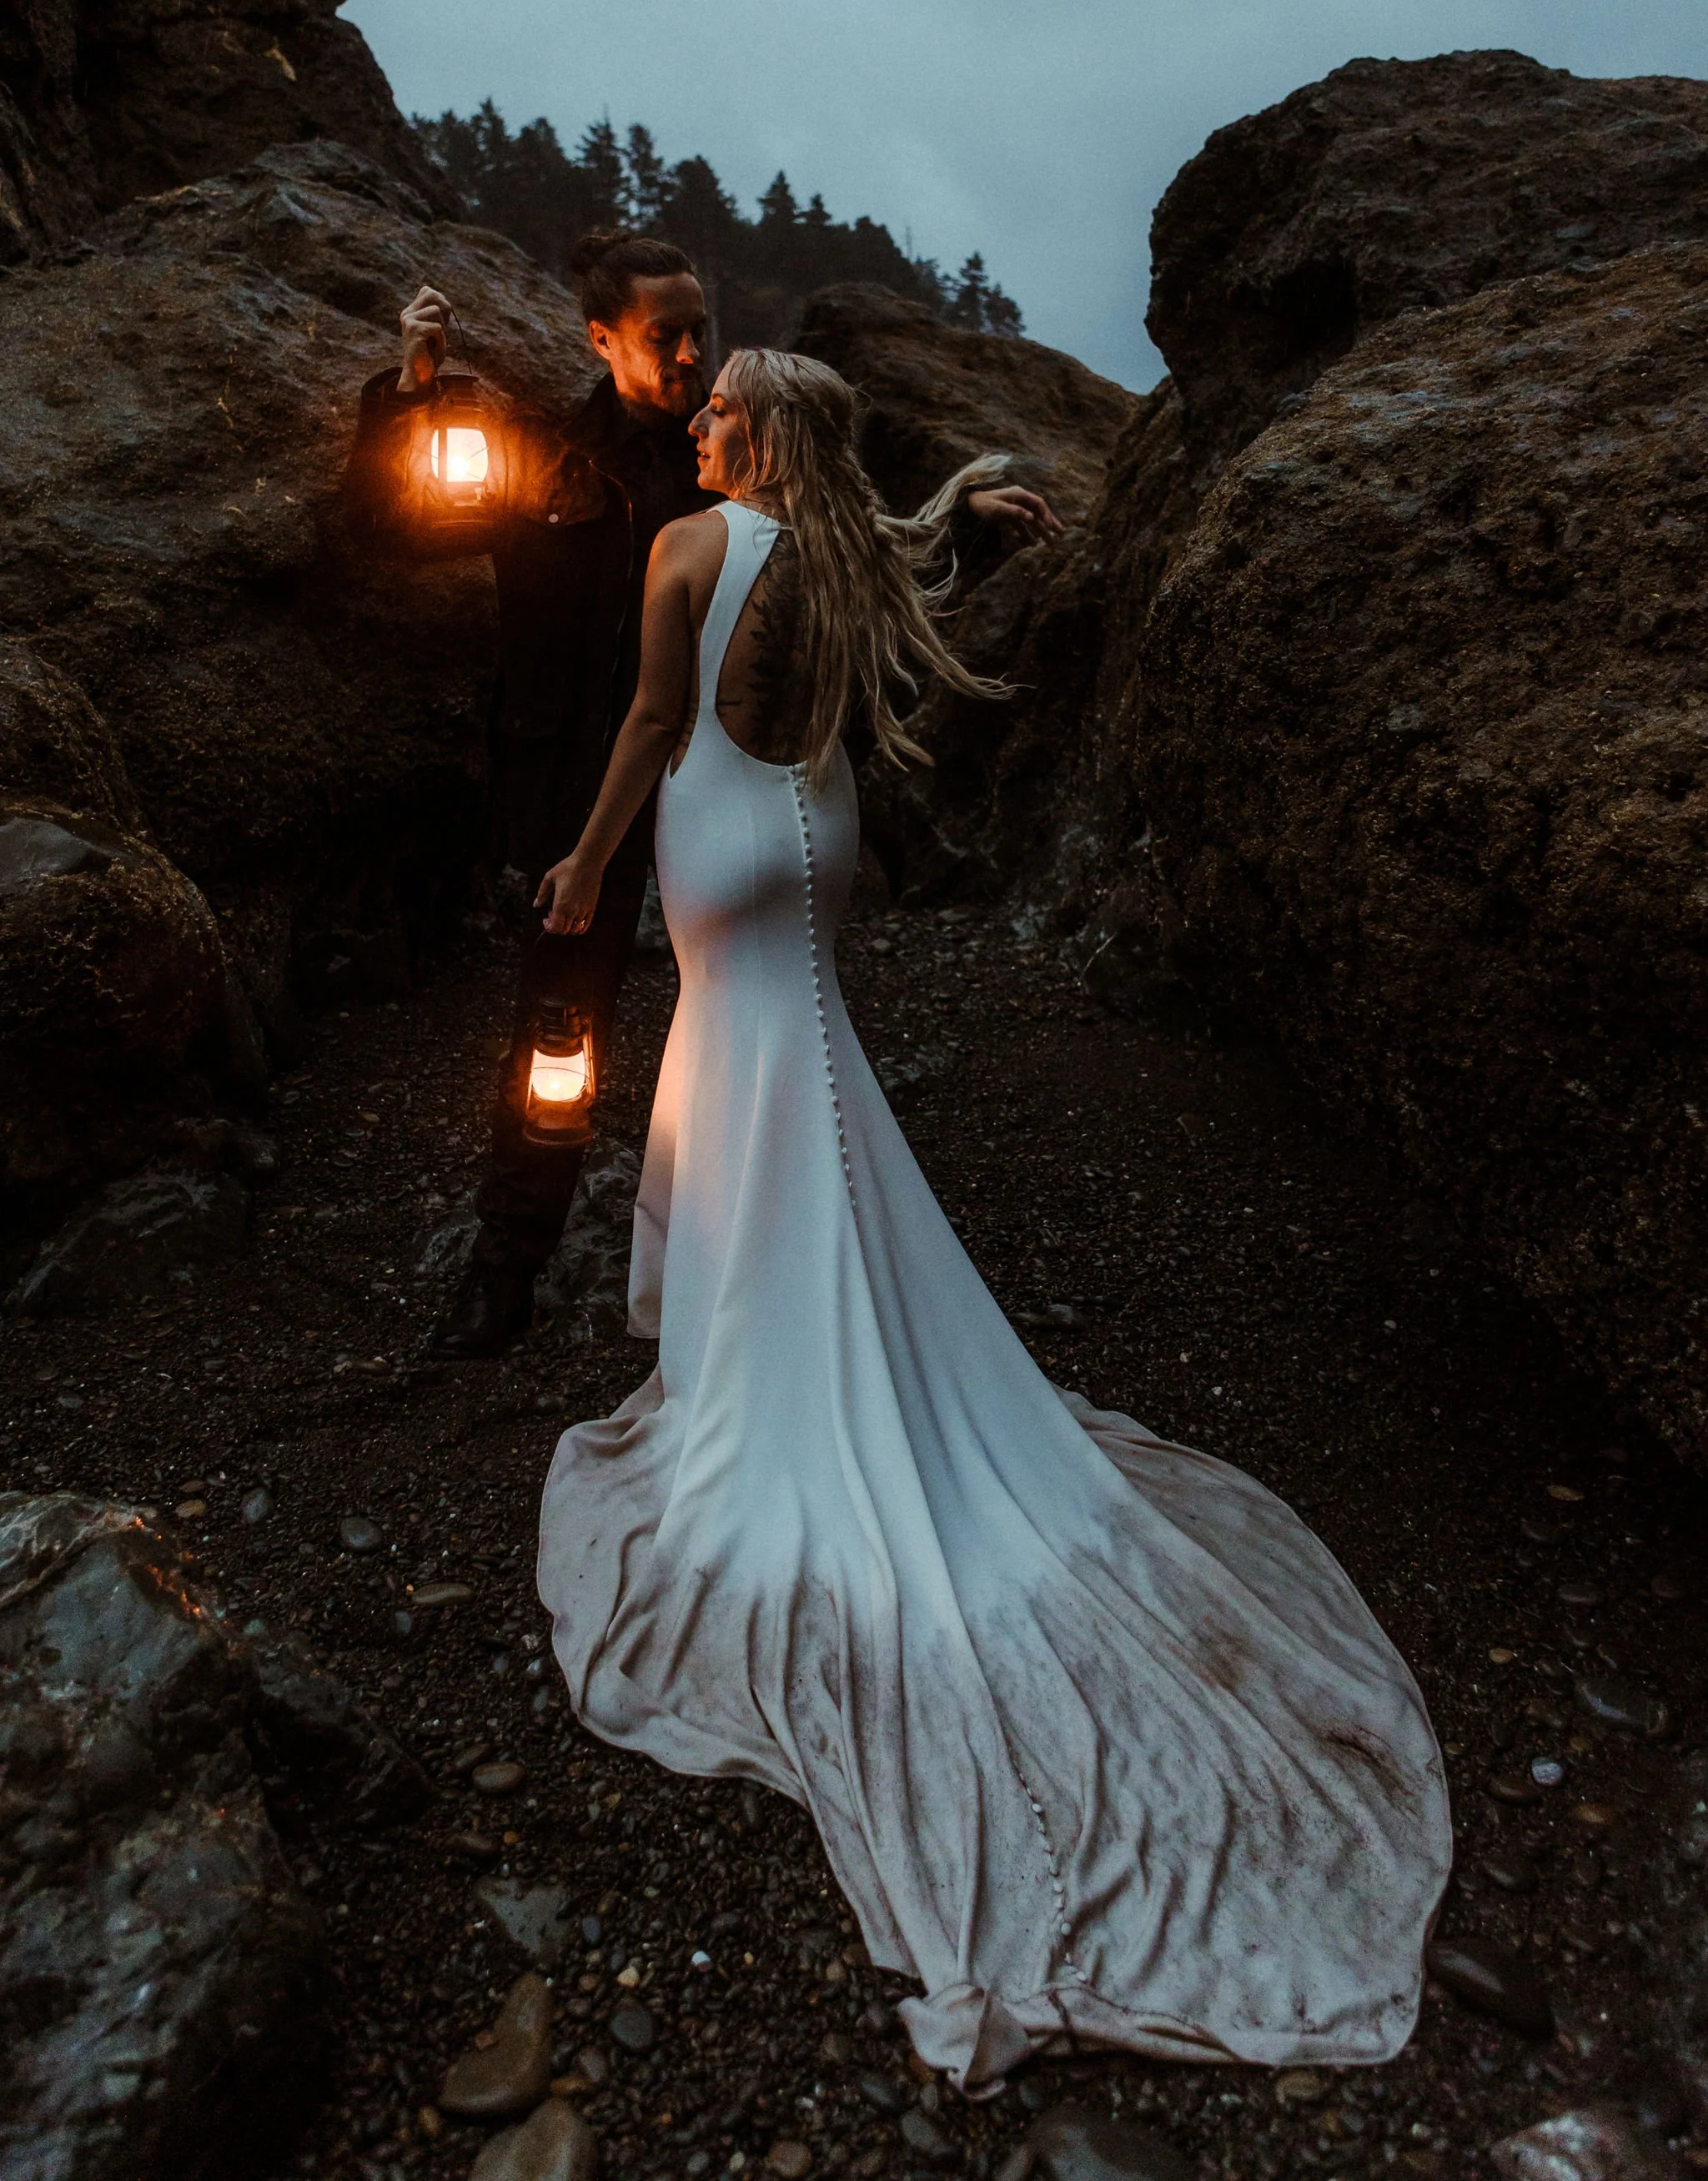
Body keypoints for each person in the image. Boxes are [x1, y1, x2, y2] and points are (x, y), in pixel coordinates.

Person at [535, 350, 1452, 2093]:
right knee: (800, 1069)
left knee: (740, 1069)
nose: (698, 418)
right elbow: (888, 533)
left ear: (756, 436)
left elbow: (655, 725)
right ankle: (810, 1305)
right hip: (816, 834)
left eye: (719, 406)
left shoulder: (683, 544)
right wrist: (952, 507)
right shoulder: (848, 550)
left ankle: (767, 1346)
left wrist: (585, 863)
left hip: (714, 839)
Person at [347, 237, 1062, 1359]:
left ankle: (775, 1271)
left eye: (699, 335)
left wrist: (963, 519)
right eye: (661, 336)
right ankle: (506, 1272)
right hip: (582, 790)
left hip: (715, 801)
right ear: (600, 339)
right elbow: (394, 527)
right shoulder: (541, 458)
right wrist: (411, 391)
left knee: (751, 1021)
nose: (689, 358)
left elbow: (855, 550)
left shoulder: (732, 455)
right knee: (557, 1032)